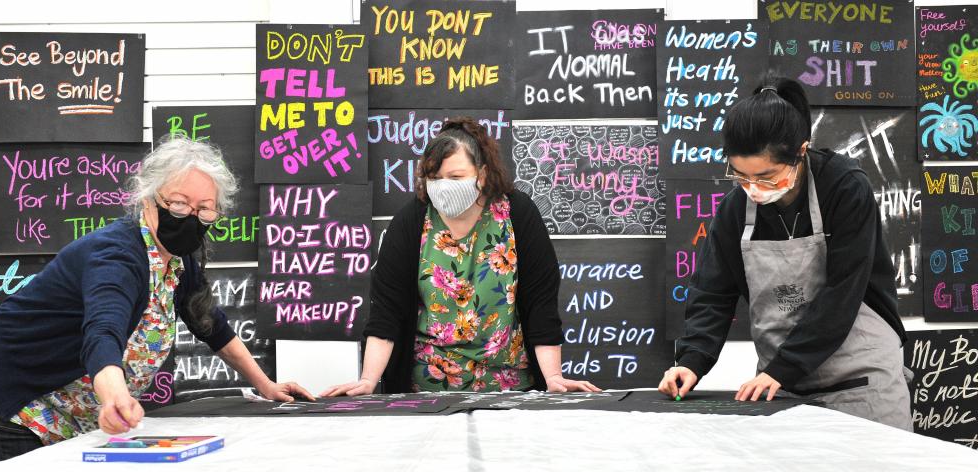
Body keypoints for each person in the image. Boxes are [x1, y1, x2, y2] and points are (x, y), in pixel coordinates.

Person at [0, 137, 314, 464]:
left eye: (203, 208)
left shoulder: (180, 257)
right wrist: (116, 396)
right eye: (178, 203)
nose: (190, 216)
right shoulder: (116, 256)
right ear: (148, 199)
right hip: (18, 402)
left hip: (75, 414)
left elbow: (212, 326)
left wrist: (267, 386)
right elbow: (103, 330)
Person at [658, 77, 912, 430]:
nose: (753, 188)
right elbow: (713, 293)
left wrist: (783, 366)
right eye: (741, 176)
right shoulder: (735, 209)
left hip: (861, 378)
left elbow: (843, 292)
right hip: (782, 384)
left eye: (766, 177)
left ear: (801, 151)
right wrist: (692, 360)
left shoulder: (844, 188)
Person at [322, 118, 599, 396]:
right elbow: (387, 311)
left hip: (511, 390)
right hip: (425, 393)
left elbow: (541, 303)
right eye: (434, 178)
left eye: (455, 177)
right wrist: (368, 380)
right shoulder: (411, 222)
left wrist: (553, 377)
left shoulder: (519, 215)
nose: (443, 187)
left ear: (482, 174)